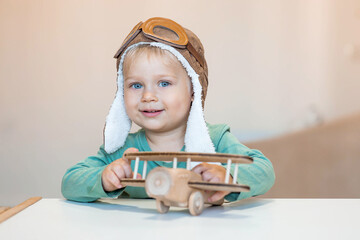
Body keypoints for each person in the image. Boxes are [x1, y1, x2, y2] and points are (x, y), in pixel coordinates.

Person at [61, 17, 275, 203]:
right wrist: (104, 178)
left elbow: (264, 171)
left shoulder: (215, 141)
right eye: (136, 85)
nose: (148, 96)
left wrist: (227, 176)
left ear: (194, 91)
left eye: (164, 83)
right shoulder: (122, 151)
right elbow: (70, 181)